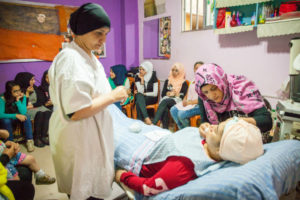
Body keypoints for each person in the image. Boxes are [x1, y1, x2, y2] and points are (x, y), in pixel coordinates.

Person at [48, 3, 128, 200]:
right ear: (81, 31)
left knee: (92, 185)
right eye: (98, 33)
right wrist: (113, 96)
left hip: (90, 134)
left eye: (106, 34)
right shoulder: (71, 59)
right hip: (79, 138)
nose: (103, 40)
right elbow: (75, 111)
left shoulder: (88, 57)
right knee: (83, 189)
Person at [115, 117, 264, 196]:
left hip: (140, 149)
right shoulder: (209, 142)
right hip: (154, 135)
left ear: (220, 151)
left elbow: (147, 187)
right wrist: (204, 132)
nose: (212, 126)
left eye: (216, 130)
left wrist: (121, 176)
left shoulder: (184, 166)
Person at [194, 63, 272, 138]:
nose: (211, 96)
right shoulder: (204, 98)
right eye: (206, 92)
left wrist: (236, 122)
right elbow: (204, 121)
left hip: (251, 140)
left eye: (214, 88)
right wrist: (203, 127)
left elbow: (267, 121)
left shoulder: (241, 88)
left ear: (221, 83)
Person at [14, 72, 51, 147]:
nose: (34, 81)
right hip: (27, 110)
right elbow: (23, 106)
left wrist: (33, 105)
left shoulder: (35, 88)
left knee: (47, 112)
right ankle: (36, 137)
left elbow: (41, 100)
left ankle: (43, 136)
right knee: (39, 113)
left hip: (36, 107)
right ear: (25, 80)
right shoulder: (18, 90)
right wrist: (27, 93)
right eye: (32, 80)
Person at [0, 81, 34, 152]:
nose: (18, 92)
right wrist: (16, 115)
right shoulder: (2, 98)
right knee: (6, 120)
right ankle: (11, 143)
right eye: (15, 91)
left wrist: (18, 101)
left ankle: (29, 141)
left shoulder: (22, 96)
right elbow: (1, 114)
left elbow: (23, 112)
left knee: (26, 116)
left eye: (19, 90)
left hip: (18, 117)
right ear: (9, 91)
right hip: (8, 118)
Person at [152, 63, 188, 129]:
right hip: (167, 100)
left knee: (165, 101)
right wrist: (168, 93)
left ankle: (154, 123)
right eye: (173, 70)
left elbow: (184, 96)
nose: (174, 72)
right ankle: (165, 128)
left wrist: (177, 95)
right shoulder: (168, 80)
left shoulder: (184, 83)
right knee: (165, 107)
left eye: (176, 70)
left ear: (180, 72)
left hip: (177, 102)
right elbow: (163, 94)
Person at [170, 61, 203, 129]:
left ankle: (187, 129)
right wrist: (184, 100)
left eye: (200, 68)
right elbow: (187, 94)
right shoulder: (192, 80)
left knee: (181, 114)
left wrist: (188, 103)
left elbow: (201, 100)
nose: (198, 70)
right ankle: (182, 129)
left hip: (198, 105)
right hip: (189, 103)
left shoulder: (204, 82)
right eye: (196, 68)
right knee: (173, 110)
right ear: (194, 69)